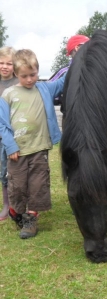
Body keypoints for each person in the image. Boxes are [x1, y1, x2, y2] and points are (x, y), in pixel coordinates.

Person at [0, 49, 65, 238]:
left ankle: (31, 219)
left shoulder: (45, 89)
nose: (29, 79)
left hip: (39, 148)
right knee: (18, 185)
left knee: (38, 184)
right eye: (24, 76)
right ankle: (16, 210)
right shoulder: (8, 95)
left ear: (38, 71)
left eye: (33, 74)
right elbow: (2, 124)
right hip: (17, 151)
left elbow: (63, 80)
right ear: (16, 74)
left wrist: (82, 55)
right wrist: (10, 146)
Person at [0, 46, 19, 221]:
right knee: (3, 171)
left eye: (9, 63)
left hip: (16, 136)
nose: (4, 66)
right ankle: (6, 204)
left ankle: (18, 204)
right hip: (0, 136)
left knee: (17, 171)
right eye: (1, 63)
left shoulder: (18, 83)